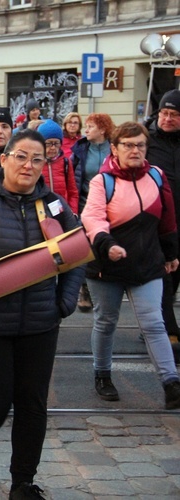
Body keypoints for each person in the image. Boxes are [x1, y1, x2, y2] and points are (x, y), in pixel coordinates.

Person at [0, 129, 83, 499]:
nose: (28, 165)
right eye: (21, 156)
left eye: (37, 159)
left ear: (45, 165)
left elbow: (78, 255)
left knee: (32, 403)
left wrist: (63, 303)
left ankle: (23, 482)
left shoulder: (54, 205)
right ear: (4, 159)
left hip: (41, 323)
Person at [81, 121, 180, 410]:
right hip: (105, 265)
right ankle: (102, 376)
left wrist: (171, 253)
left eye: (140, 145)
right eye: (128, 145)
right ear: (115, 148)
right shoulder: (103, 181)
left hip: (147, 264)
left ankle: (171, 383)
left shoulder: (157, 176)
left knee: (154, 323)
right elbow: (93, 218)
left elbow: (168, 219)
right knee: (106, 321)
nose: (135, 150)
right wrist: (107, 244)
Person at [147, 90, 180, 364]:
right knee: (164, 275)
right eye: (164, 114)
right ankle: (169, 331)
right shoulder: (147, 140)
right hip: (157, 221)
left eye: (174, 115)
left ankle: (160, 323)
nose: (167, 119)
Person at [72, 113, 115, 312]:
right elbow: (71, 177)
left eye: (90, 127)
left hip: (112, 206)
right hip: (85, 205)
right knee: (85, 248)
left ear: (103, 130)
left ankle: (108, 286)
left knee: (105, 245)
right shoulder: (80, 149)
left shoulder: (114, 148)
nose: (85, 130)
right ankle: (85, 290)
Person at [38, 119, 78, 212]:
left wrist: (73, 212)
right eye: (48, 143)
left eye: (56, 143)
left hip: (61, 211)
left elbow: (73, 192)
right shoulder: (35, 162)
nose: (53, 147)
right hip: (40, 211)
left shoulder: (65, 162)